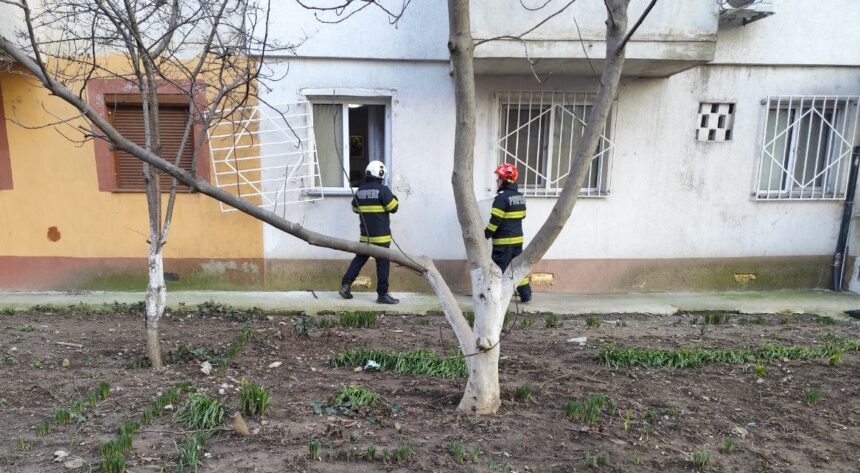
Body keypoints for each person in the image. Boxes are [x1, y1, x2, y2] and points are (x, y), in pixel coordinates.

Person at [339, 160, 400, 304]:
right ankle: (382, 294)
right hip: (381, 239)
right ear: (380, 174)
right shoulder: (383, 190)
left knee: (359, 260)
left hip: (365, 238)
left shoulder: (360, 190)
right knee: (382, 265)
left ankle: (345, 285)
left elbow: (355, 209)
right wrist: (395, 198)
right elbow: (394, 208)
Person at [484, 163, 532, 302]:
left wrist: (486, 233)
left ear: (505, 180)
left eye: (498, 178)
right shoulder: (520, 196)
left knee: (498, 269)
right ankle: (526, 294)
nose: (496, 181)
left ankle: (495, 296)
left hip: (503, 242)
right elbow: (522, 215)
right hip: (517, 240)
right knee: (516, 268)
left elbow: (496, 219)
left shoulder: (501, 197)